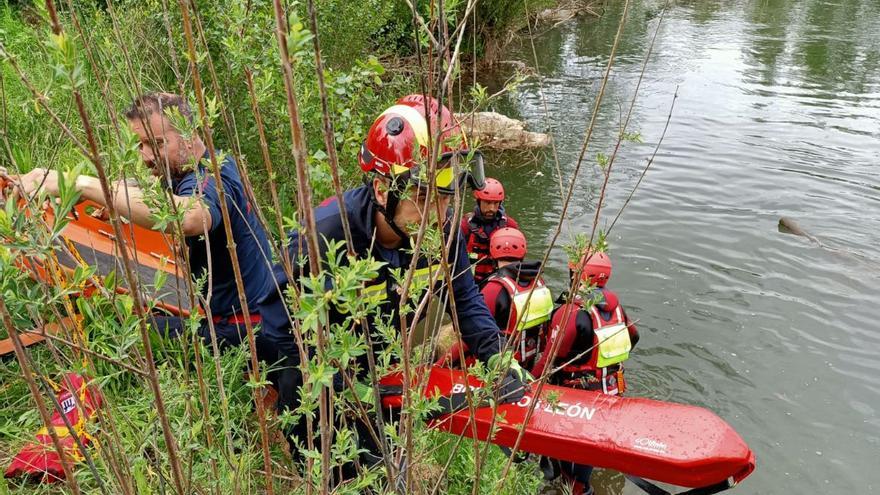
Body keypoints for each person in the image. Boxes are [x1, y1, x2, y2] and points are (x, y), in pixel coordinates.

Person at [257, 94, 524, 477]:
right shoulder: (325, 234)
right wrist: (340, 385)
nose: (439, 215)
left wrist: (496, 352)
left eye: (447, 199)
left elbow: (464, 298)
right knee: (335, 474)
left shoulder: (442, 233)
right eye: (422, 198)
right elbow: (279, 327)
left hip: (382, 370)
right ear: (383, 189)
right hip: (314, 379)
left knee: (387, 471)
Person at [13, 92, 273, 351]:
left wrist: (84, 186)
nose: (146, 156)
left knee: (111, 327)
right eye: (140, 145)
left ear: (189, 134)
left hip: (245, 329)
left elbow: (190, 216)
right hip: (240, 314)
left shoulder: (211, 179)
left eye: (157, 144)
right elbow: (145, 187)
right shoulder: (199, 163)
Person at [530, 250, 639, 495]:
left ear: (575, 274)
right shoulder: (616, 306)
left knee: (575, 460)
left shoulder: (570, 313)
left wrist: (526, 385)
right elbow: (634, 337)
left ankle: (579, 488)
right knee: (588, 447)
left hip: (579, 400)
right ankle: (579, 479)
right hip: (612, 390)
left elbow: (548, 360)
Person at [480, 227, 553, 369]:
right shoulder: (539, 283)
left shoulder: (493, 288)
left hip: (501, 365)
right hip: (530, 359)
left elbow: (475, 329)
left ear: (493, 254)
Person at [460, 177, 518, 286]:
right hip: (470, 283)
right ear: (479, 201)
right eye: (487, 202)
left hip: (498, 282)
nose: (491, 208)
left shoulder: (509, 226)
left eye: (496, 203)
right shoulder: (465, 226)